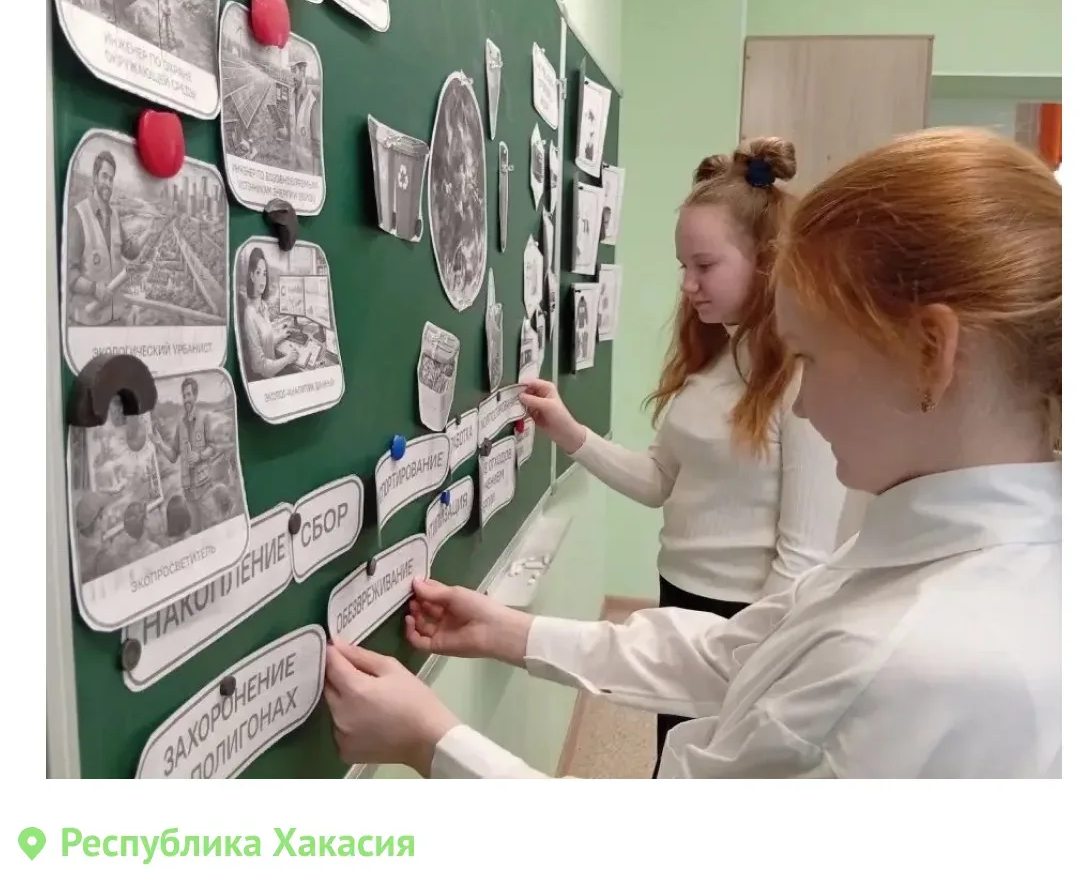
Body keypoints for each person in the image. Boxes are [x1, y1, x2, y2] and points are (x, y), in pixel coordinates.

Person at [323, 127, 1061, 779]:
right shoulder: (922, 558)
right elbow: (743, 654)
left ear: (929, 353)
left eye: (816, 359)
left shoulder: (914, 664)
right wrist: (511, 630)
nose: (805, 403)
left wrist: (432, 742)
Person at [521, 138, 846, 774]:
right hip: (679, 597)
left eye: (705, 265)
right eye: (683, 266)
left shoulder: (801, 379)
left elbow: (804, 557)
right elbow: (659, 481)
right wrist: (570, 433)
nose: (689, 285)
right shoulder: (715, 359)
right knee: (672, 763)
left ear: (767, 261)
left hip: (744, 619)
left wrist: (755, 658)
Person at [67, 148, 140, 326]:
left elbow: (129, 251)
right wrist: (93, 288)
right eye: (104, 176)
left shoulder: (114, 216)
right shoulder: (77, 216)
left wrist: (148, 233)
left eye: (111, 179)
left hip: (114, 318)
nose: (108, 183)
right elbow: (69, 273)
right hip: (88, 322)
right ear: (95, 177)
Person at [151, 377, 218, 535]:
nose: (186, 399)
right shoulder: (180, 425)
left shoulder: (205, 418)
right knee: (195, 533)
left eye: (189, 395)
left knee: (212, 529)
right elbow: (173, 456)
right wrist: (160, 444)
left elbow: (213, 447)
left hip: (205, 488)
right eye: (184, 395)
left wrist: (200, 456)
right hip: (188, 493)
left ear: (195, 395)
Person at [241, 247, 298, 379]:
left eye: (265, 273)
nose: (263, 279)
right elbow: (260, 366)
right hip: (266, 379)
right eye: (258, 272)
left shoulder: (264, 306)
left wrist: (280, 336)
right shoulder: (249, 315)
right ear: (252, 276)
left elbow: (265, 345)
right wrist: (287, 359)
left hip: (275, 370)